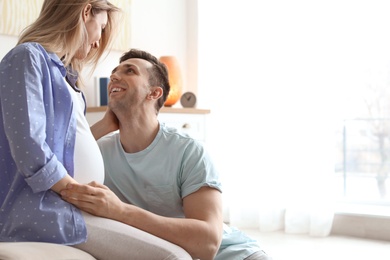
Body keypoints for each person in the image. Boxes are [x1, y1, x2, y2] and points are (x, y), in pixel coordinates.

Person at [0, 2, 191, 260]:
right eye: (101, 29)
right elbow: (29, 147)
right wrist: (78, 193)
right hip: (48, 209)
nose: (98, 42)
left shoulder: (67, 78)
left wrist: (103, 127)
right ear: (85, 12)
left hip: (71, 207)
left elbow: (61, 144)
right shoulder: (28, 57)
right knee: (173, 257)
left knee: (180, 251)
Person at [61, 48, 273, 260]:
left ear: (154, 93)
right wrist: (103, 126)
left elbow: (208, 244)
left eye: (130, 71)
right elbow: (54, 166)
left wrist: (120, 211)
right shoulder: (101, 150)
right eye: (115, 72)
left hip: (234, 255)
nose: (115, 76)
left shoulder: (189, 152)